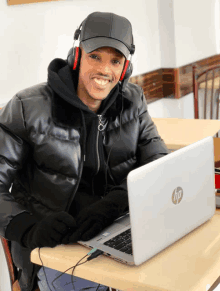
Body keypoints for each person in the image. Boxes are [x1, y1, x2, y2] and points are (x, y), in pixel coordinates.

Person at [0, 11, 169, 291]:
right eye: (95, 56)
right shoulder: (26, 108)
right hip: (57, 248)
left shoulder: (134, 100)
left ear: (125, 68)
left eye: (115, 61)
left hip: (118, 231)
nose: (105, 70)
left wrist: (117, 201)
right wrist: (27, 227)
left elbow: (158, 162)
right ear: (76, 56)